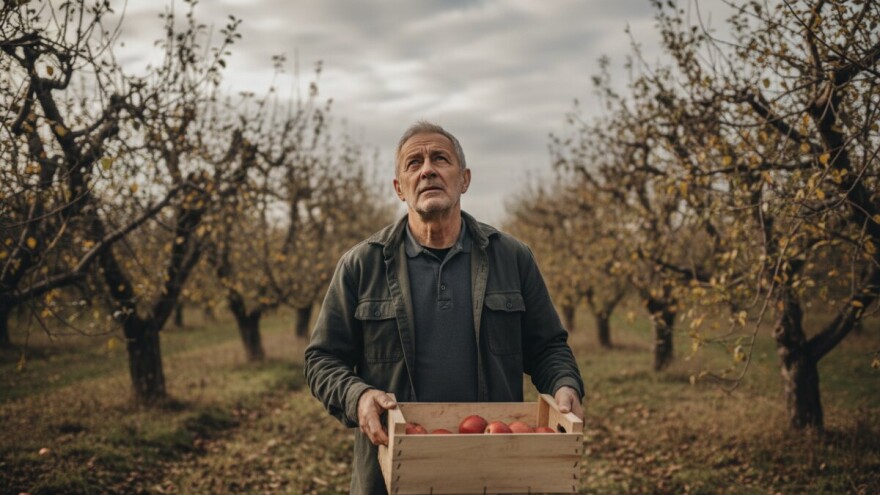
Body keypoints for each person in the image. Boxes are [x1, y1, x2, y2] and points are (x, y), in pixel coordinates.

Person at [304, 121, 584, 495]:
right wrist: (358, 396)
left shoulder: (512, 258)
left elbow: (547, 347)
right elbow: (322, 359)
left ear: (464, 179)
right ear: (399, 188)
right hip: (393, 473)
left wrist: (565, 384)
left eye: (440, 159)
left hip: (494, 469)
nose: (427, 170)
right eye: (414, 163)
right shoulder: (362, 265)